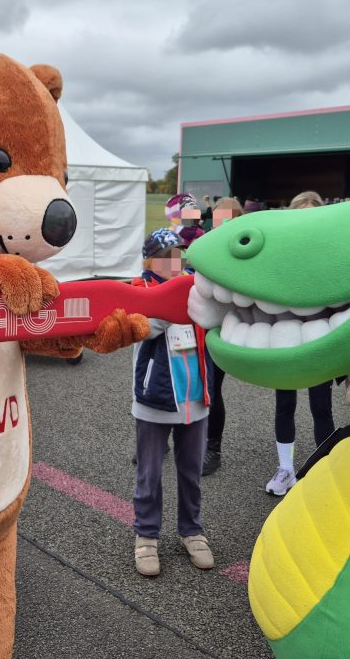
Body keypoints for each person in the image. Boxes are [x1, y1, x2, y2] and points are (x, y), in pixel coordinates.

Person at [130, 228, 215, 576]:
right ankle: (146, 536)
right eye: (166, 256)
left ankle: (191, 531)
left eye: (178, 253)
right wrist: (170, 307)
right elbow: (138, 328)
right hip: (154, 400)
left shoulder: (197, 288)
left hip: (196, 398)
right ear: (150, 261)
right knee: (149, 474)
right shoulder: (139, 288)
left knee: (191, 473)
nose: (175, 261)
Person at [266, 191, 335, 496]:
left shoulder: (329, 251)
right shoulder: (279, 252)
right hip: (286, 339)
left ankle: (325, 470)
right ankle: (286, 470)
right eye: (299, 214)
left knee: (321, 407)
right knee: (285, 405)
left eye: (311, 214)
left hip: (318, 339)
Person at [202, 196, 244, 475]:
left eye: (227, 219)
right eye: (218, 219)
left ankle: (213, 449)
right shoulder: (205, 246)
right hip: (196, 326)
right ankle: (167, 436)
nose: (221, 224)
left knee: (212, 388)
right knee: (185, 383)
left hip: (222, 329)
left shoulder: (243, 254)